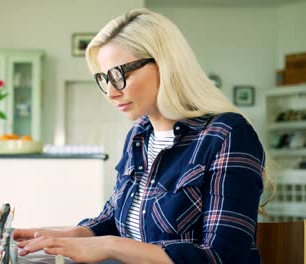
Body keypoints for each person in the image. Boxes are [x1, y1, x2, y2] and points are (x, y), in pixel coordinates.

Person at [14, 8, 273, 263]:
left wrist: (110, 246)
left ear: (164, 64)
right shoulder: (139, 134)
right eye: (104, 79)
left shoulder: (226, 134)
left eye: (119, 75)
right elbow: (115, 217)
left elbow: (224, 257)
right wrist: (71, 235)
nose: (111, 92)